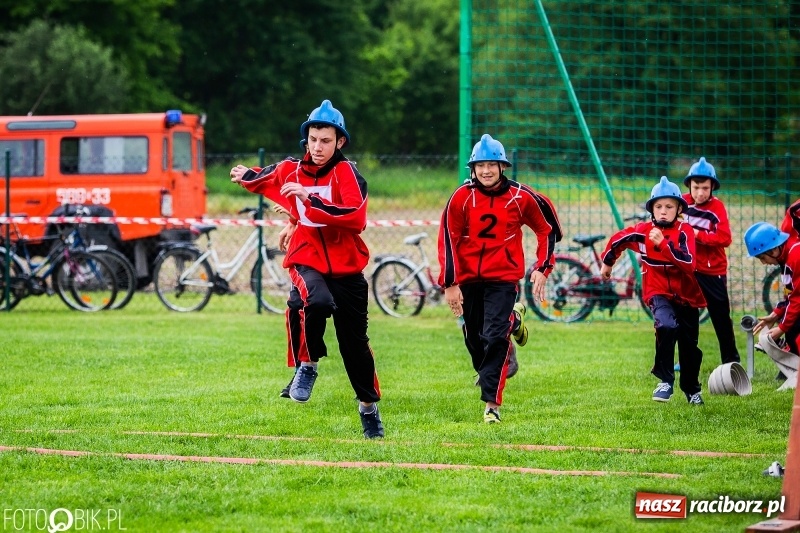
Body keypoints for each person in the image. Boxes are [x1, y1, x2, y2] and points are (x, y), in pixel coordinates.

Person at [230, 99, 384, 439]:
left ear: (340, 142)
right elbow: (267, 177)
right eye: (313, 139)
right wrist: (245, 175)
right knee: (313, 302)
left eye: (325, 140)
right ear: (306, 139)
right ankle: (308, 365)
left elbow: (354, 218)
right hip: (306, 258)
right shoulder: (292, 169)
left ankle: (369, 409)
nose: (317, 147)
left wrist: (308, 200)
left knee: (355, 346)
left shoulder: (348, 175)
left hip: (348, 269)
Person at [438, 133, 562, 424]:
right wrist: (450, 283)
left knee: (494, 337)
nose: (486, 171)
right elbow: (447, 239)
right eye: (480, 165)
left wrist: (543, 267)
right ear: (473, 168)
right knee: (475, 340)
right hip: (468, 279)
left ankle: (491, 405)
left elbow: (548, 229)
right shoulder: (460, 197)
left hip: (503, 278)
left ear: (503, 166)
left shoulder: (521, 196)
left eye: (492, 164)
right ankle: (514, 324)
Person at [600, 176, 707, 405]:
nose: (663, 211)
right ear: (651, 209)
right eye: (658, 206)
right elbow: (619, 239)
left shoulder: (685, 231)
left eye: (669, 206)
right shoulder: (643, 232)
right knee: (666, 326)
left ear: (679, 209)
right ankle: (665, 381)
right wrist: (608, 263)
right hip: (657, 293)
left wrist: (664, 245)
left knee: (690, 348)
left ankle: (691, 389)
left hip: (688, 297)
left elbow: (689, 263)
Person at [681, 157, 740, 365]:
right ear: (689, 185)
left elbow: (725, 238)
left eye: (705, 188)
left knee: (720, 316)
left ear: (712, 187)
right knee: (686, 315)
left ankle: (731, 360)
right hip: (687, 269)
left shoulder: (717, 208)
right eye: (696, 187)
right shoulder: (681, 203)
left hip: (712, 270)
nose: (700, 193)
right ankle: (686, 358)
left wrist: (696, 234)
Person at [745, 222, 800, 390]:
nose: (763, 262)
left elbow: (797, 299)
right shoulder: (786, 258)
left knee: (793, 331)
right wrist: (775, 315)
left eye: (763, 257)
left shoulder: (796, 256)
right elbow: (790, 294)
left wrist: (781, 328)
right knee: (789, 326)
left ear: (774, 250)